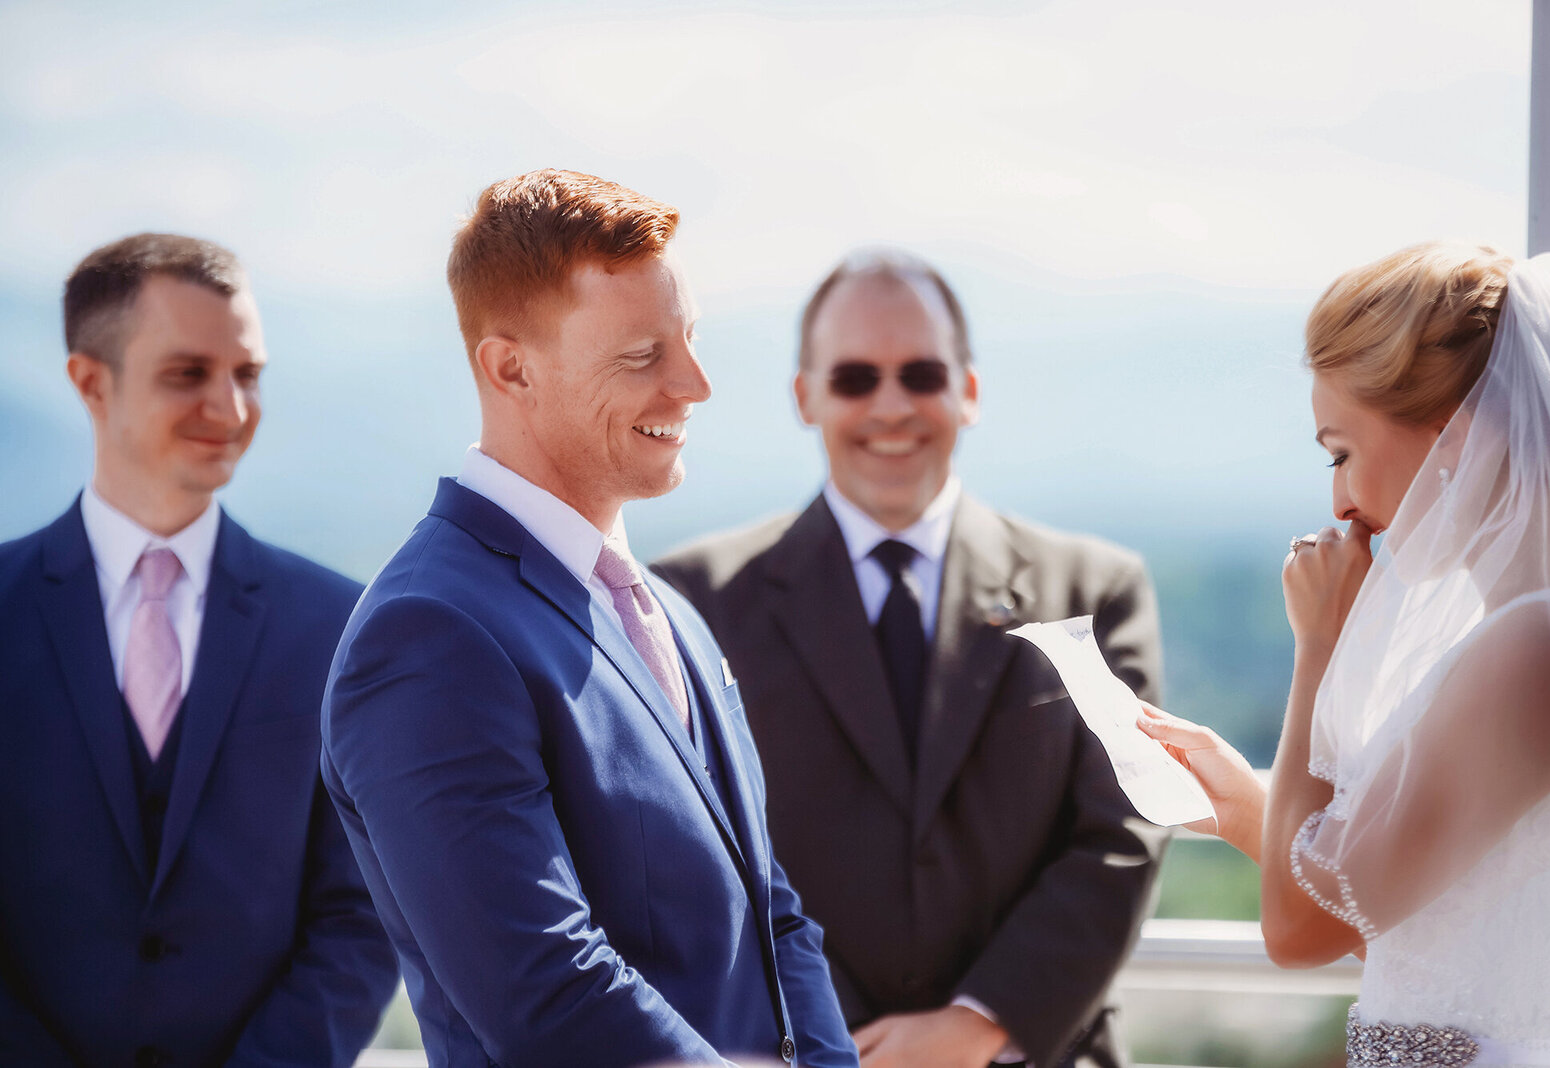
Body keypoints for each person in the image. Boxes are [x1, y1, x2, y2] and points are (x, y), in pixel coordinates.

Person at [321, 169, 857, 1068]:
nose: (694, 385)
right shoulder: (427, 637)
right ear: (511, 367)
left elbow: (773, 914)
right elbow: (549, 994)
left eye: (690, 341)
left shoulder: (671, 614)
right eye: (643, 355)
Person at [653, 249, 1167, 1068]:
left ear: (968, 390)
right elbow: (685, 852)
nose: (890, 406)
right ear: (806, 396)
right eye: (855, 378)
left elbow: (1123, 830)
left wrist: (978, 1023)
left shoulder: (1095, 590)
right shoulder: (692, 600)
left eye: (921, 374)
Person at [1140, 243, 1550, 1065]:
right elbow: (1426, 945)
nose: (1339, 499)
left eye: (1340, 452)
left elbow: (1296, 932)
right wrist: (1253, 810)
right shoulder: (1539, 636)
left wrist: (1320, 645)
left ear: (1454, 438)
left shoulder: (1541, 647)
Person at [0, 233, 397, 1066]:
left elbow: (363, 914)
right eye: (189, 373)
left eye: (247, 374)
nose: (231, 408)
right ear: (90, 383)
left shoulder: (338, 624)